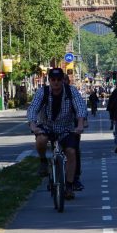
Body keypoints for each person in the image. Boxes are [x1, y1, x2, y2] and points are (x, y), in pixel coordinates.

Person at [26, 67, 86, 200]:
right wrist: (33, 125)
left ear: (63, 80)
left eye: (59, 79)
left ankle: (69, 186)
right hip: (47, 126)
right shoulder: (43, 92)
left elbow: (80, 107)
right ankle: (43, 161)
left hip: (66, 128)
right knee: (40, 140)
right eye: (53, 79)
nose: (56, 82)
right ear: (49, 80)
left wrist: (80, 125)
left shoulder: (71, 91)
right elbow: (33, 109)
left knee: (71, 151)